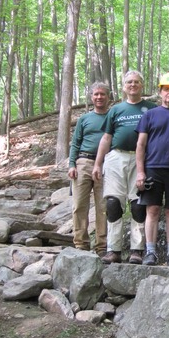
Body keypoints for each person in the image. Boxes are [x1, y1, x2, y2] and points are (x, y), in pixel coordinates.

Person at [92, 71, 156, 264]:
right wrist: (98, 163)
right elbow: (106, 138)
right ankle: (114, 249)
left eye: (136, 82)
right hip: (116, 158)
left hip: (141, 160)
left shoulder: (151, 108)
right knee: (112, 203)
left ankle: (137, 250)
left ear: (142, 85)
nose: (133, 85)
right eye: (129, 82)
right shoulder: (116, 110)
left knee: (138, 204)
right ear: (124, 86)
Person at [135, 73, 169, 266]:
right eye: (166, 89)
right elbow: (140, 145)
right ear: (160, 92)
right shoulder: (150, 114)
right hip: (152, 168)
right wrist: (140, 172)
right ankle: (150, 252)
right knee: (152, 210)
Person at [67, 82, 111, 256]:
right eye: (96, 94)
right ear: (91, 97)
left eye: (102, 94)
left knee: (103, 206)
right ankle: (81, 244)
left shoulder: (113, 116)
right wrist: (72, 164)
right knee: (79, 205)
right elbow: (75, 143)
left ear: (108, 96)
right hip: (83, 162)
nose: (99, 97)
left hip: (106, 164)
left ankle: (102, 246)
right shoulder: (84, 119)